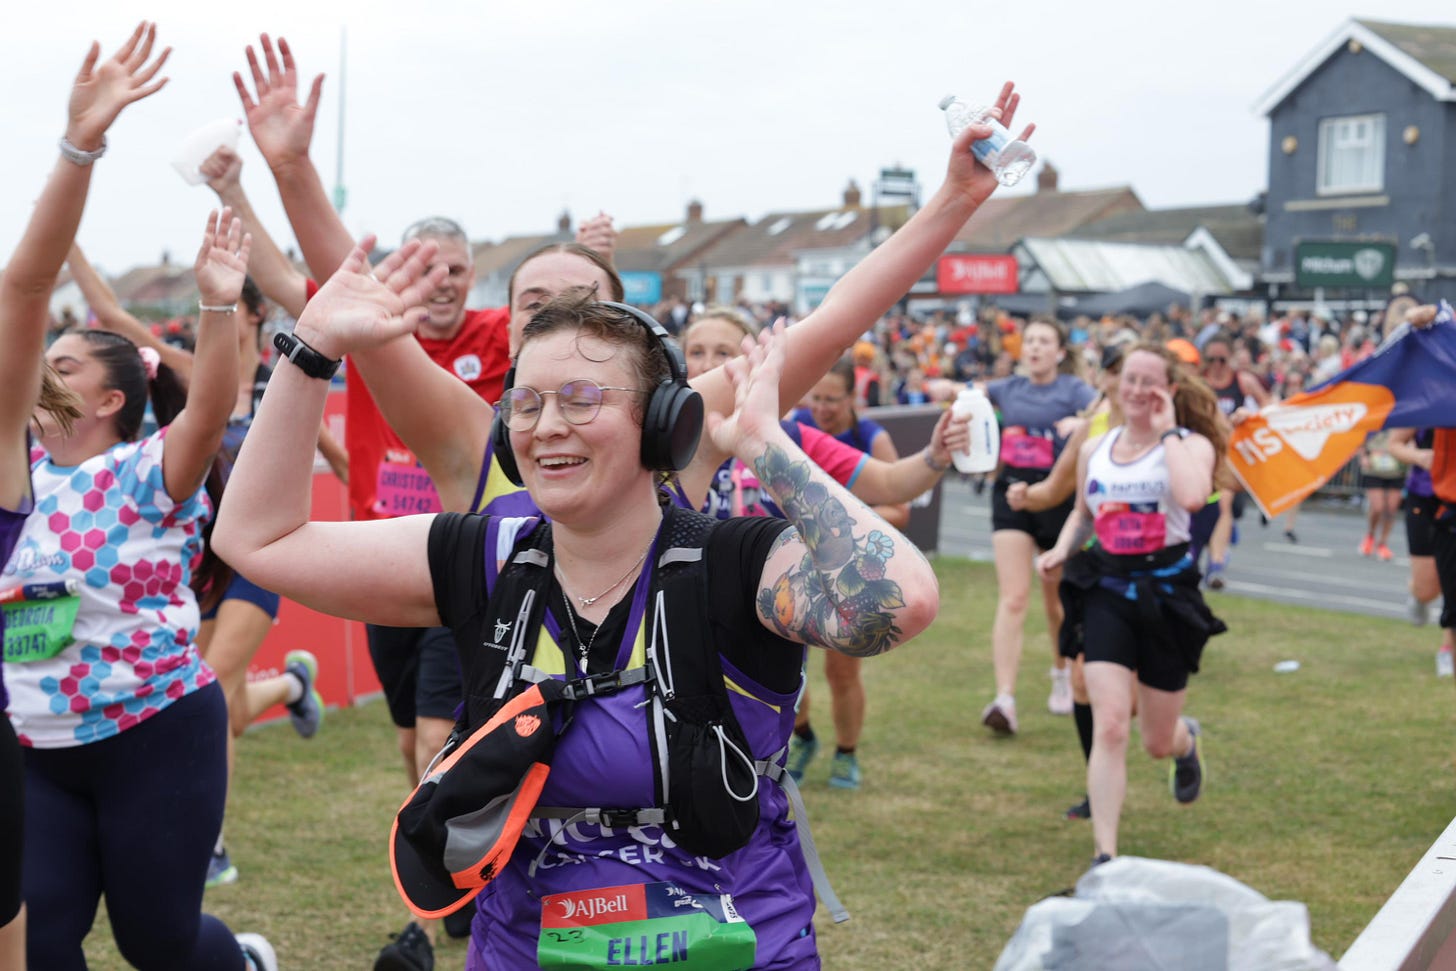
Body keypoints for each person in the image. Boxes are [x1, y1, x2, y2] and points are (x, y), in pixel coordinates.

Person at [213, 258, 940, 968]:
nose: (545, 426)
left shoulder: (731, 563)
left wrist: (764, 445)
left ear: (663, 426)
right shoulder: (486, 558)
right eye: (525, 404)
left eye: (580, 400)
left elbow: (896, 601)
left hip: (739, 944)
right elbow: (257, 538)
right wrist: (310, 349)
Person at [1, 23, 275, 971]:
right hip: (35, 744)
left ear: (111, 398)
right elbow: (18, 296)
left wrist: (213, 301)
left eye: (66, 362)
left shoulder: (144, 469)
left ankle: (240, 960)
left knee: (158, 943)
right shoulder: (14, 473)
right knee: (37, 942)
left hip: (152, 727)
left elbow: (211, 412)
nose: (47, 366)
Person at [1036, 343, 1226, 864]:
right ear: (1116, 386)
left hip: (1167, 593)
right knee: (1112, 723)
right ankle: (1105, 857)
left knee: (1155, 741)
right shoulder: (1097, 449)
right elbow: (1082, 515)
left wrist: (1167, 434)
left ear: (1170, 389)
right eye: (1131, 381)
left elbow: (1191, 498)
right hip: (1109, 589)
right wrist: (1058, 550)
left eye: (1150, 381)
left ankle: (1185, 745)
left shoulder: (1190, 445)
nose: (1138, 391)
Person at [787, 355, 909, 788]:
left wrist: (843, 521)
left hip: (847, 573)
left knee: (842, 672)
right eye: (815, 398)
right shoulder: (797, 427)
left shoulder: (870, 437)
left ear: (853, 397)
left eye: (832, 401)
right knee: (784, 667)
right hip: (796, 568)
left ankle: (846, 753)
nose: (821, 408)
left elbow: (902, 507)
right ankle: (801, 737)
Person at [981, 318, 1096, 734]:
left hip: (1059, 500)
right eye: (1029, 341)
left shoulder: (1075, 391)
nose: (1035, 348)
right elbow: (964, 394)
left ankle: (1061, 672)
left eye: (1044, 342)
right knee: (1013, 597)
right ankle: (1004, 699)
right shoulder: (1007, 388)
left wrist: (1080, 425)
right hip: (1012, 496)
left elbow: (1104, 411)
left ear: (1060, 352)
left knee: (1056, 600)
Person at [1357, 431, 1405, 562]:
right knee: (1378, 507)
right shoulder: (1376, 416)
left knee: (1391, 509)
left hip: (1396, 469)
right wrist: (1363, 456)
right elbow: (1360, 438)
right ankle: (1370, 535)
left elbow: (1411, 439)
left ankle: (1383, 543)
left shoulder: (1404, 418)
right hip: (1374, 468)